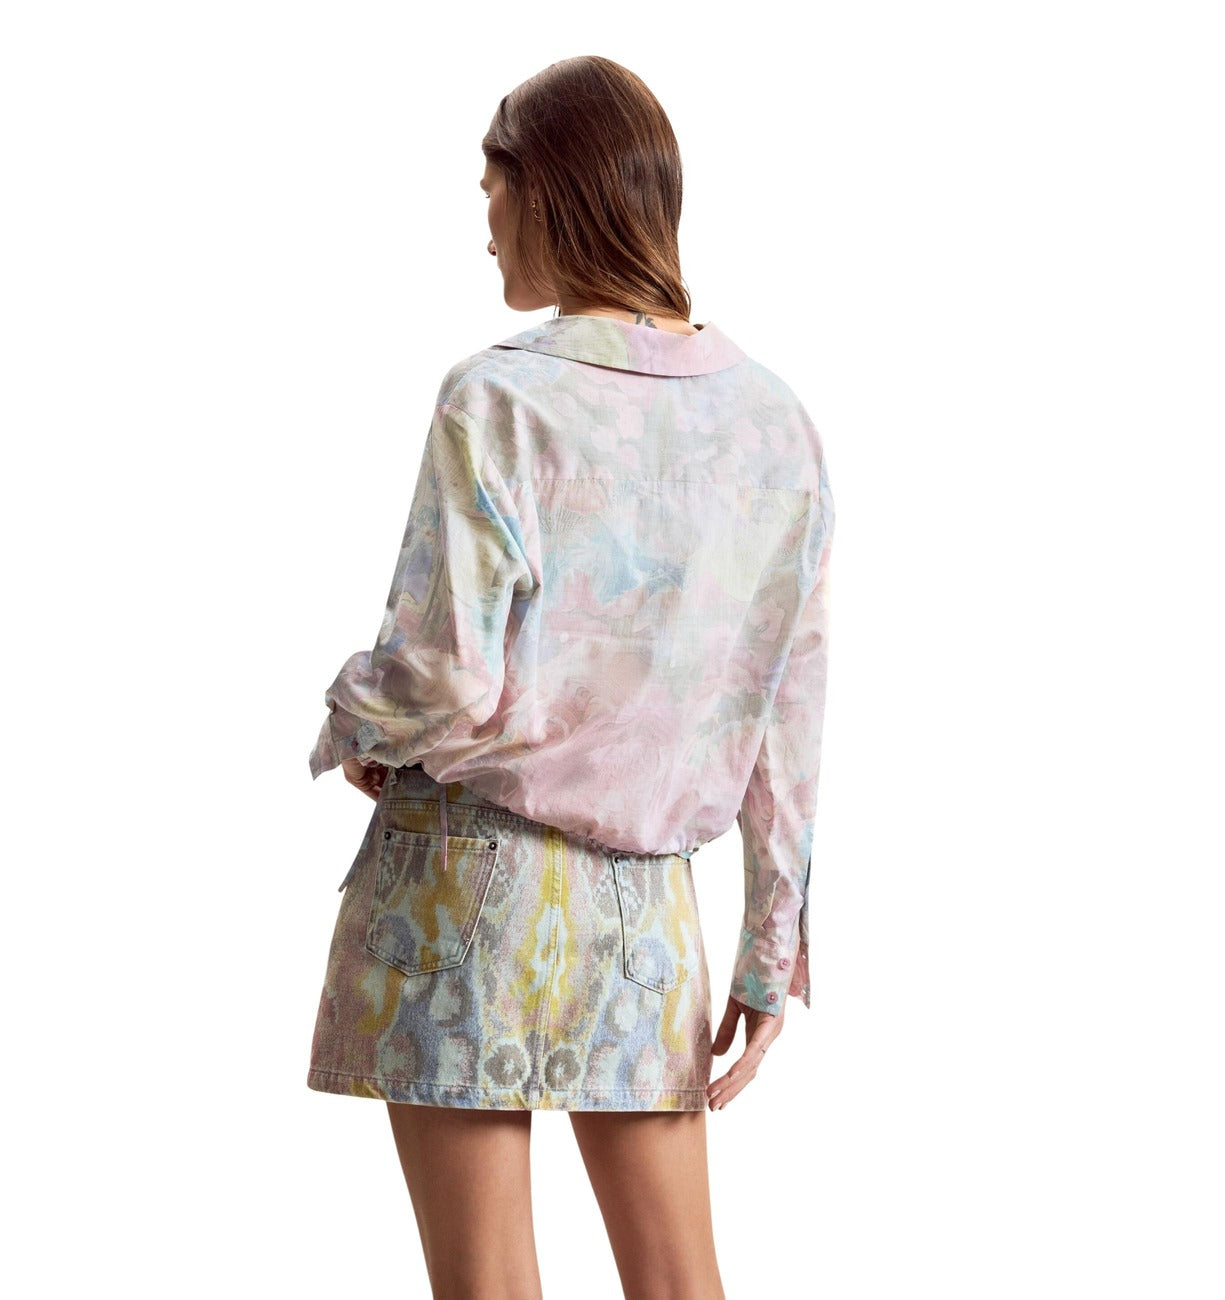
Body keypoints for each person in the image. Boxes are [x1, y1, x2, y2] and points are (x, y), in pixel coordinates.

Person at [305, 55, 834, 1300]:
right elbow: (784, 710)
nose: (482, 221)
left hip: (464, 886)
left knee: (486, 1286)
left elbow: (444, 675)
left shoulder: (497, 398)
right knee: (680, 1283)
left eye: (490, 187)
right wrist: (769, 949)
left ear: (546, 189)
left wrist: (350, 722)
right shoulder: (774, 424)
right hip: (647, 909)